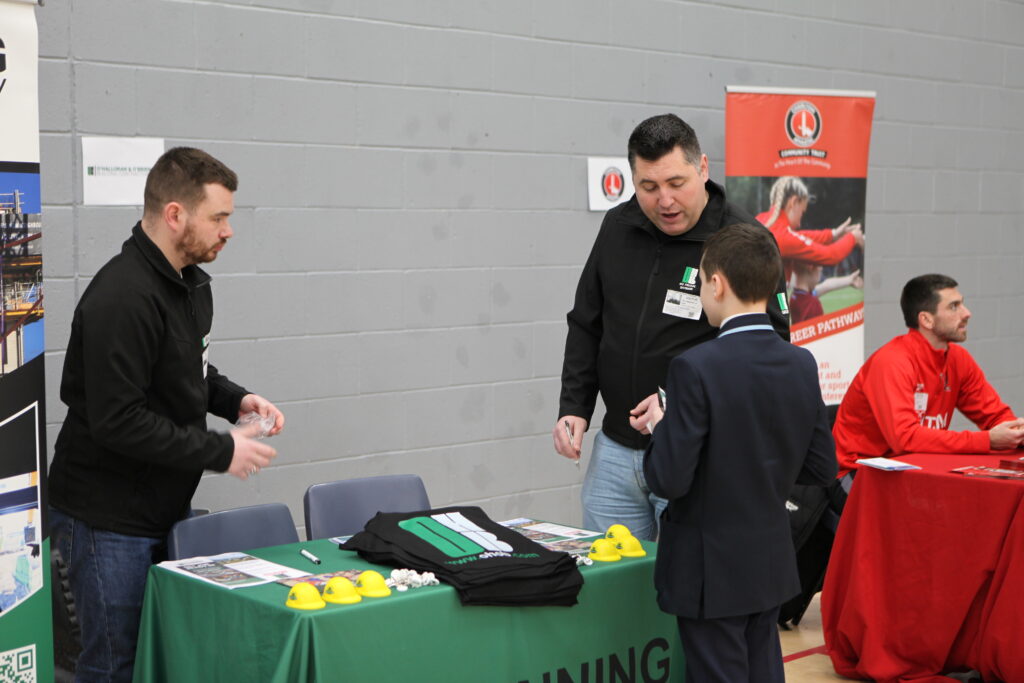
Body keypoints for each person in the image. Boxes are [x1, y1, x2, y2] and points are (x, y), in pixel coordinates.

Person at [47, 147, 285, 683]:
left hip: (159, 510)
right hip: (104, 521)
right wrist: (223, 450)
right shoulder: (122, 296)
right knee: (112, 667)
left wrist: (234, 400)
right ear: (176, 214)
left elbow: (186, 370)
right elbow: (119, 420)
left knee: (156, 660)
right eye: (218, 217)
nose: (228, 231)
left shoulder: (191, 283)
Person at [552, 113, 789, 540]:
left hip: (696, 454)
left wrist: (677, 404)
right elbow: (586, 323)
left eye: (676, 183)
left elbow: (766, 351)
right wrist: (574, 406)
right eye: (648, 187)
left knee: (685, 594)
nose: (664, 200)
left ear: (703, 168)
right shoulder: (618, 226)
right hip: (615, 451)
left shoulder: (743, 241)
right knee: (610, 587)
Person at [641, 223, 836, 682]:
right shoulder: (800, 361)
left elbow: (667, 478)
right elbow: (821, 465)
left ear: (716, 283)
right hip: (769, 559)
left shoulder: (695, 367)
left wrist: (661, 426)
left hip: (711, 569)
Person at [832, 273, 1024, 477]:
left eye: (963, 304)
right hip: (859, 472)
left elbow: (994, 414)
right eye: (954, 307)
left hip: (915, 467)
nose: (967, 313)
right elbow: (905, 439)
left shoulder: (958, 358)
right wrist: (987, 440)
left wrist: (1017, 432)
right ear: (926, 319)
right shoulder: (892, 361)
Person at [755, 176, 864, 282]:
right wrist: (853, 237)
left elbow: (799, 236)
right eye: (802, 212)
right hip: (771, 299)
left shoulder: (760, 220)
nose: (799, 224)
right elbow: (830, 255)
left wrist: (834, 234)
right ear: (794, 202)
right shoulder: (783, 238)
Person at [789, 261, 863, 324]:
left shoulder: (796, 296)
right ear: (810, 267)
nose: (821, 268)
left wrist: (849, 280)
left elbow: (826, 285)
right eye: (819, 264)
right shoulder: (812, 303)